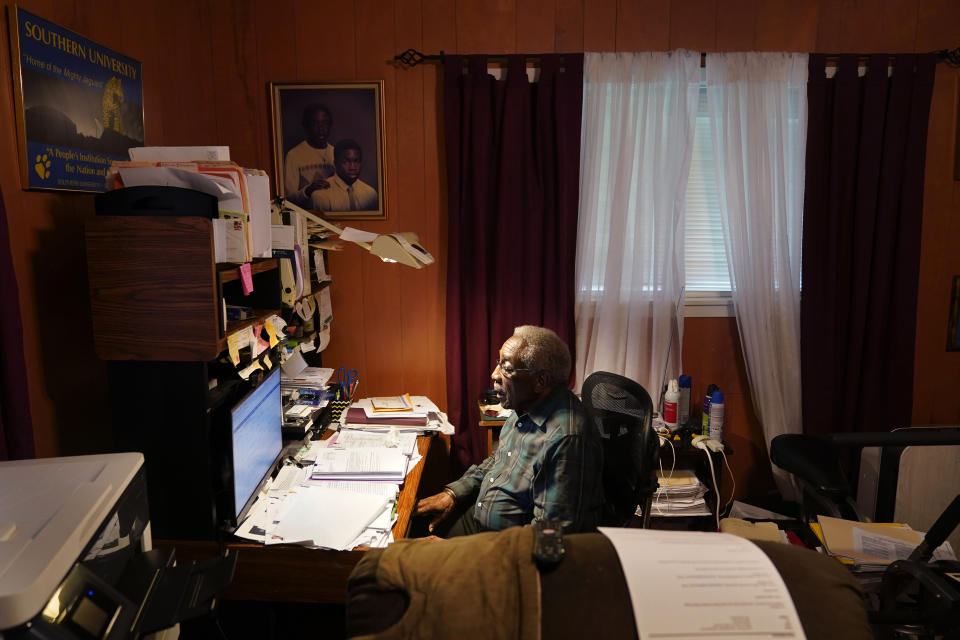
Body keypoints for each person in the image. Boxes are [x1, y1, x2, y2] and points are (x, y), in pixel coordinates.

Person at [415, 326, 604, 536]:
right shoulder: (524, 404)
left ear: (540, 380)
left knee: (407, 560)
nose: (494, 375)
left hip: (503, 547)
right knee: (408, 530)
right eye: (499, 363)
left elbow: (548, 536)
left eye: (506, 368)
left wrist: (461, 554)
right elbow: (499, 459)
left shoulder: (567, 439)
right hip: (480, 523)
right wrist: (453, 493)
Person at [283, 103, 336, 207]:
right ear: (306, 126)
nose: (321, 128)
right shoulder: (293, 155)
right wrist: (308, 190)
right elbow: (289, 198)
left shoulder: (336, 153)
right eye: (315, 123)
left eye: (325, 123)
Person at [310, 139, 378, 212]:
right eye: (346, 162)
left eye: (356, 161)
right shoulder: (321, 196)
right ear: (335, 163)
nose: (352, 167)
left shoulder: (371, 194)